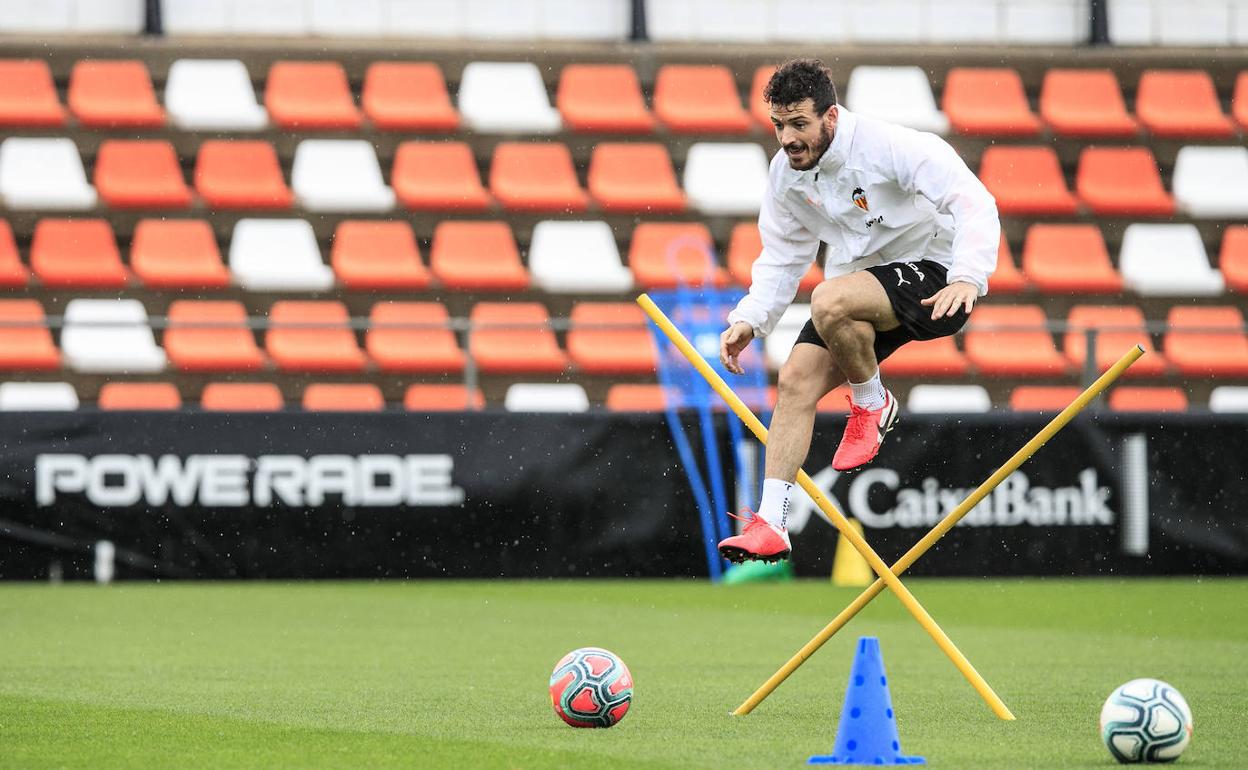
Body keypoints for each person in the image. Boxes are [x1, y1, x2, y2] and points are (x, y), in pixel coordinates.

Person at [716, 58, 999, 564]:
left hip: (938, 280)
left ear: (830, 116)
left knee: (828, 297)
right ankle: (772, 523)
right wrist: (751, 318)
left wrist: (968, 275)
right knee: (796, 380)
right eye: (779, 125)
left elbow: (972, 200)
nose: (787, 138)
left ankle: (872, 402)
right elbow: (782, 254)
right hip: (861, 295)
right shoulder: (787, 176)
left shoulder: (888, 146)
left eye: (799, 124)